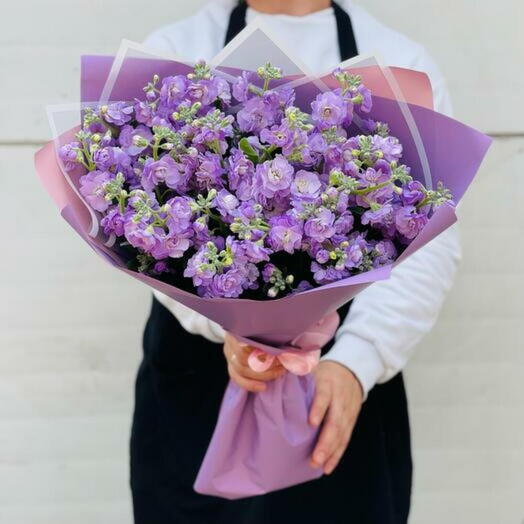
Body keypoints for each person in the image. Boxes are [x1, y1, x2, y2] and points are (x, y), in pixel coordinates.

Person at [131, 1, 461, 522]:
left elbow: (431, 239)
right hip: (200, 377)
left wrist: (358, 361)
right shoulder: (173, 53)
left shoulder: (399, 62)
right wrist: (232, 330)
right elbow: (142, 229)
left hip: (343, 384)